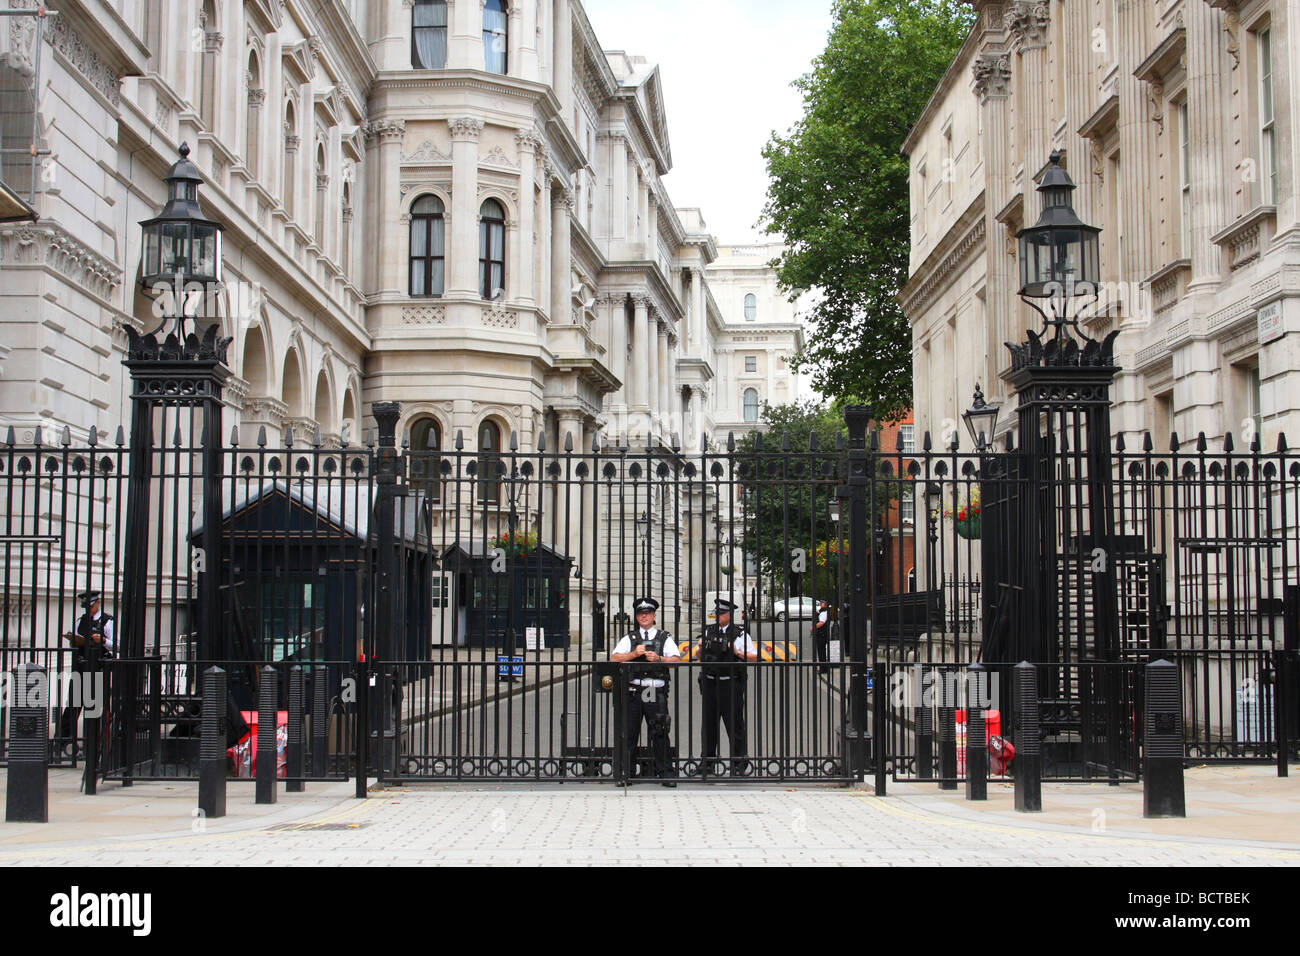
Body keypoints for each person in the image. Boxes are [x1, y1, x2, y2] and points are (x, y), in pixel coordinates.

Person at [610, 596, 679, 786]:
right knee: (630, 732)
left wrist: (659, 659)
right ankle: (626, 773)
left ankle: (666, 773)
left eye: (648, 613)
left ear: (654, 616)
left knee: (660, 732)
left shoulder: (664, 637)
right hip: (635, 689)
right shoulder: (630, 638)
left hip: (655, 690)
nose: (644, 616)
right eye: (641, 614)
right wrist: (634, 654)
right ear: (637, 617)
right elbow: (614, 658)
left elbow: (676, 660)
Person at [693, 598, 758, 775]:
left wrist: (736, 651)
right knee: (708, 724)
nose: (718, 616)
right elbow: (699, 657)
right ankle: (707, 762)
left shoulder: (739, 634)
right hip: (710, 682)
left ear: (730, 615)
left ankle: (739, 763)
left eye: (721, 613)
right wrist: (699, 649)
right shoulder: (708, 631)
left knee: (734, 724)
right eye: (717, 613)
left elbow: (754, 657)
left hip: (730, 683)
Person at [59, 590, 115, 753]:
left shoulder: (107, 621)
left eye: (90, 607)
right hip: (81, 668)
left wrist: (104, 641)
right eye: (85, 607)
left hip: (98, 669)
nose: (88, 610)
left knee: (95, 708)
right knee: (73, 705)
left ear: (97, 603)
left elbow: (117, 645)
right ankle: (64, 741)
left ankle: (94, 746)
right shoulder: (80, 621)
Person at [812, 599, 830, 674]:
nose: (820, 604)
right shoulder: (822, 611)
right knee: (821, 652)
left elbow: (821, 623)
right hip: (821, 634)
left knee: (821, 652)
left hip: (822, 635)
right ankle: (823, 668)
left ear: (825, 605)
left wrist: (813, 627)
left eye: (822, 603)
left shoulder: (824, 612)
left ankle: (823, 669)